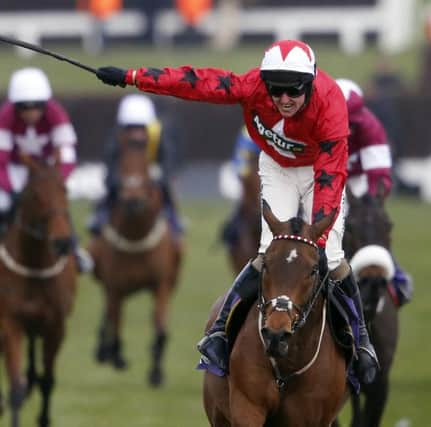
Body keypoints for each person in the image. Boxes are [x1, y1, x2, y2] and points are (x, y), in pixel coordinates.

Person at [94, 39, 379, 384]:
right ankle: (219, 335)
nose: (284, 100)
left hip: (320, 170)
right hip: (277, 168)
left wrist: (313, 235)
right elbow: (193, 83)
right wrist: (132, 76)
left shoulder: (331, 103)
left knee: (330, 257)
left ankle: (362, 342)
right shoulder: (251, 86)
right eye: (276, 91)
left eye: (293, 92)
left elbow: (332, 176)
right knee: (267, 254)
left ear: (310, 82)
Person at [0, 67, 91, 284]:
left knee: (56, 207)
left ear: (45, 105)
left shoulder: (56, 114)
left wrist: (54, 181)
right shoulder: (4, 117)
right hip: (17, 170)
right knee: (2, 205)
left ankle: (75, 252)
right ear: (15, 106)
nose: (31, 113)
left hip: (47, 170)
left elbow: (68, 154)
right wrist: (11, 190)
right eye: (24, 107)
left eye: (37, 107)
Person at [336, 78, 413, 307]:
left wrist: (367, 205)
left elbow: (379, 176)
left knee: (368, 222)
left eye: (352, 123)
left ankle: (395, 277)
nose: (348, 129)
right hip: (322, 179)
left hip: (357, 179)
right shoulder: (312, 125)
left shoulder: (371, 126)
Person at [88, 94, 184, 241]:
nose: (136, 132)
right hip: (124, 177)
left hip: (151, 176)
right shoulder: (117, 136)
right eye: (131, 127)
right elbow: (110, 161)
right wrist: (116, 180)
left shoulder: (158, 134)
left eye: (140, 127)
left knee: (167, 195)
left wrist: (160, 177)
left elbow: (168, 159)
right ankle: (99, 219)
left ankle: (175, 222)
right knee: (109, 195)